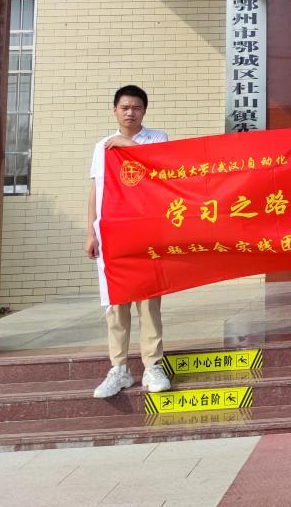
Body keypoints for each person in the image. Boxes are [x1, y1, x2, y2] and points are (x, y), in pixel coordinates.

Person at [87, 85, 173, 398]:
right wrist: (91, 232)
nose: (130, 112)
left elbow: (158, 173)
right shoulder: (102, 147)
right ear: (115, 110)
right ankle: (119, 369)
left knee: (148, 302)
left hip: (146, 234)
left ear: (144, 111)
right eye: (124, 107)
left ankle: (152, 366)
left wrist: (126, 145)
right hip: (113, 235)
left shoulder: (157, 138)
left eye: (136, 107)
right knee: (116, 303)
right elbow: (97, 191)